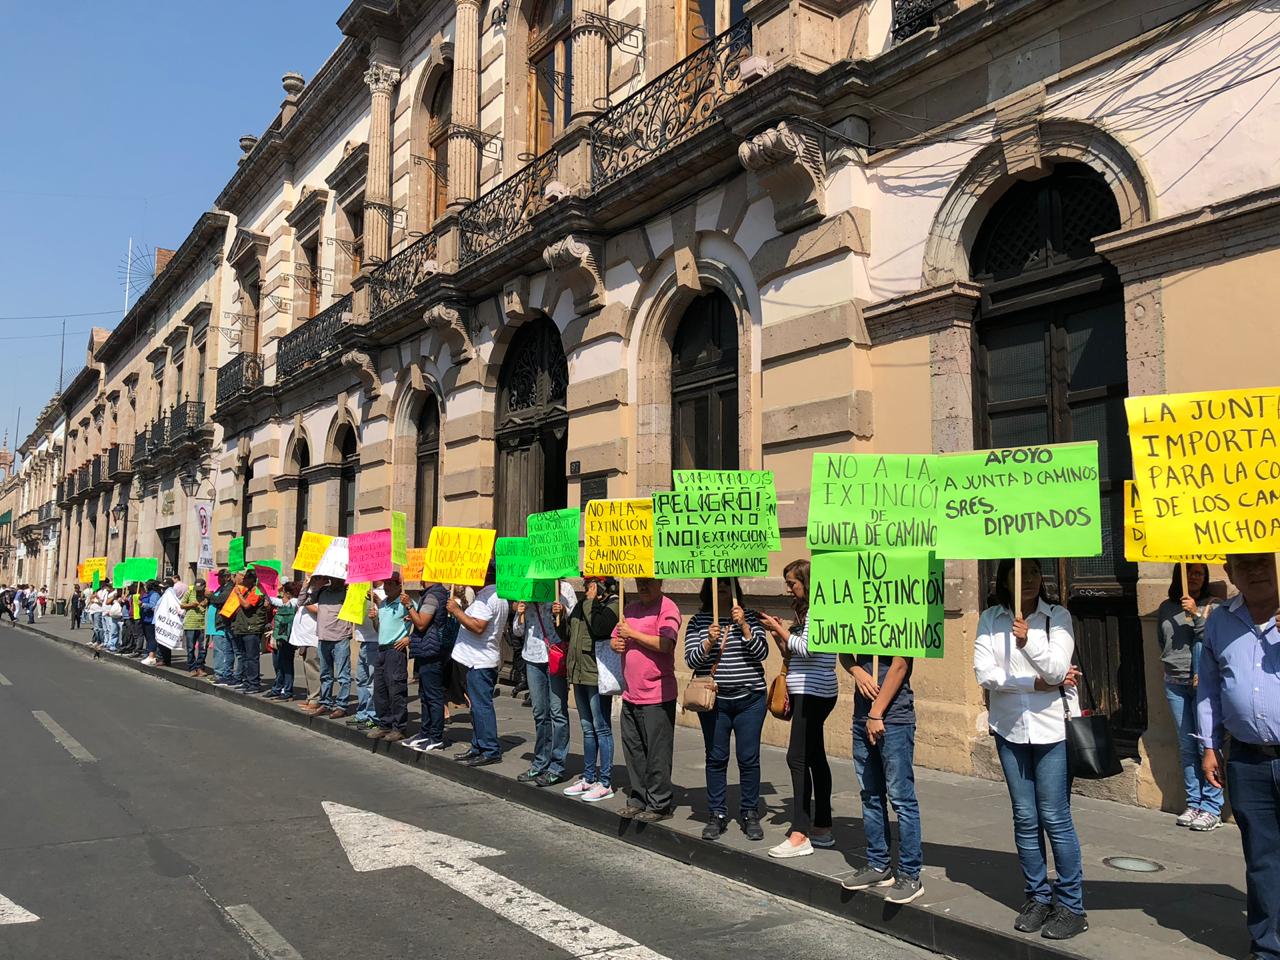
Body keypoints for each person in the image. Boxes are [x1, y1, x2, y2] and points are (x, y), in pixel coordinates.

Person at [974, 557, 1086, 941]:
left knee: (1055, 816)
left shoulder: (1057, 618)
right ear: (1005, 579)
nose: (1030, 580)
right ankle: (1037, 896)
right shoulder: (990, 619)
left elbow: (1057, 671)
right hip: (1009, 729)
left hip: (1051, 730)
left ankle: (1071, 905)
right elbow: (984, 674)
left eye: (1037, 573)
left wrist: (1029, 642)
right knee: (1024, 816)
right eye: (1021, 574)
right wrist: (1031, 684)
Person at [1198, 552, 1280, 960]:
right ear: (1229, 573)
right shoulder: (1220, 620)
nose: (1256, 570)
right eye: (1243, 564)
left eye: (1263, 560)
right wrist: (1209, 745)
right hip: (1247, 759)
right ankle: (1268, 947)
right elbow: (1209, 688)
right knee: (1262, 860)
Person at [759, 559, 837, 858]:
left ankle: (800, 831)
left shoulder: (821, 608)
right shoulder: (806, 611)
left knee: (797, 757)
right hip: (810, 688)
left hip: (813, 691)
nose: (789, 587)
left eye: (792, 582)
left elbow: (809, 648)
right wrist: (778, 632)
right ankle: (823, 827)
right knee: (815, 756)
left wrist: (779, 628)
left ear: (806, 581)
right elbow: (794, 651)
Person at [685, 577, 769, 841]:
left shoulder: (750, 618)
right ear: (707, 590)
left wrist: (744, 625)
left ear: (735, 589)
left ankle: (750, 813)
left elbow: (762, 652)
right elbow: (691, 660)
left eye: (726, 584)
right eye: (716, 585)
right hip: (715, 702)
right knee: (717, 757)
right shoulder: (698, 622)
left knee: (748, 758)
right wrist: (709, 642)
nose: (721, 588)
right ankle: (717, 813)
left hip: (750, 699)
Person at [839, 642, 923, 904]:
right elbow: (840, 646)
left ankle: (910, 874)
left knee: (900, 797)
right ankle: (878, 864)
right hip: (862, 715)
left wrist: (877, 712)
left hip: (893, 718)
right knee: (870, 793)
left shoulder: (903, 610)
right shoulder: (858, 611)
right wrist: (857, 671)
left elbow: (900, 665)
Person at [1156, 562, 1222, 831]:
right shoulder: (1166, 607)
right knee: (1186, 747)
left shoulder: (1214, 606)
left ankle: (1212, 807)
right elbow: (1163, 641)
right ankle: (1194, 802)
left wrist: (1195, 615)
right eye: (1189, 573)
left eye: (1199, 573)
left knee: (1206, 745)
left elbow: (1213, 638)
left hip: (1203, 683)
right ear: (1178, 577)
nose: (1194, 577)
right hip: (1175, 682)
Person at [612, 576, 681, 822]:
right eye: (639, 581)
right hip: (631, 693)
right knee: (634, 750)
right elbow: (615, 638)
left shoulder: (668, 608)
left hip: (657, 695)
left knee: (657, 752)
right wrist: (616, 643)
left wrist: (633, 633)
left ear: (660, 582)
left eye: (648, 582)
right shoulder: (628, 609)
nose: (642, 586)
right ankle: (638, 798)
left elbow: (666, 643)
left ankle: (659, 803)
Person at [512, 582, 576, 787]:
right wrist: (520, 612)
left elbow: (575, 624)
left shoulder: (563, 589)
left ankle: (557, 765)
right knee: (540, 713)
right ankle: (540, 761)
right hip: (532, 657)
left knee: (557, 712)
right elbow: (518, 631)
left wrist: (563, 611)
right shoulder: (527, 589)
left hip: (555, 656)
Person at [564, 576, 621, 802]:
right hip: (579, 672)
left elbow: (599, 628)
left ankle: (605, 781)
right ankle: (589, 776)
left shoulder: (613, 604)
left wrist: (590, 601)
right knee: (587, 728)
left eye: (589, 585)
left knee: (601, 728)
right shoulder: (583, 603)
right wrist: (559, 619)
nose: (585, 588)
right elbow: (568, 633)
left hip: (596, 675)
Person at [449, 574, 509, 767]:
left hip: (480, 662)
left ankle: (490, 749)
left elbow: (478, 627)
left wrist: (457, 611)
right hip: (477, 660)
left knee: (482, 707)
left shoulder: (487, 597)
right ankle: (478, 746)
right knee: (476, 707)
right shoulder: (496, 595)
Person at [404, 579, 453, 751]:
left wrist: (409, 606)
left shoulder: (432, 596)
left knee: (432, 696)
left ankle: (435, 736)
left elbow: (422, 623)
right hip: (427, 649)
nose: (420, 579)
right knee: (425, 695)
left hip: (431, 651)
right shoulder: (434, 594)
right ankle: (425, 733)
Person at [368, 575, 412, 743]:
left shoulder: (405, 603)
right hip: (382, 649)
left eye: (389, 583)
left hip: (395, 650)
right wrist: (374, 619)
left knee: (396, 689)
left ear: (398, 585)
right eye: (384, 583)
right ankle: (384, 723)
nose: (385, 587)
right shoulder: (383, 604)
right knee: (380, 689)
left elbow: (420, 621)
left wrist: (409, 638)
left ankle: (399, 726)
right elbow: (379, 628)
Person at [303, 576, 352, 719]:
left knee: (343, 675)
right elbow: (302, 602)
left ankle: (341, 706)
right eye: (332, 578)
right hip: (323, 638)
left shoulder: (348, 593)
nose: (334, 581)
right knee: (325, 674)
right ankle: (325, 702)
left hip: (340, 638)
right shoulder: (322, 591)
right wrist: (307, 586)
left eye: (337, 579)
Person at [227, 570, 271, 693]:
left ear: (252, 579)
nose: (244, 580)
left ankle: (254, 683)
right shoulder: (247, 590)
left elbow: (246, 605)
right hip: (243, 627)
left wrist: (238, 594)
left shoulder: (256, 591)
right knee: (245, 657)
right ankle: (246, 681)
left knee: (252, 657)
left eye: (246, 578)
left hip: (252, 628)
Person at [350, 586, 383, 730]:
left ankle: (373, 716)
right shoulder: (361, 588)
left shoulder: (382, 593)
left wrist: (376, 600)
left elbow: (388, 615)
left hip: (375, 641)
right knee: (361, 679)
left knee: (372, 681)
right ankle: (362, 713)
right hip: (363, 639)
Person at [266, 582, 300, 700]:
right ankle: (278, 688)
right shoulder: (287, 602)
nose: (282, 594)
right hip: (281, 635)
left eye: (284, 592)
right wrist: (263, 589)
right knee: (280, 663)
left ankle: (287, 689)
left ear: (289, 594)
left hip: (289, 637)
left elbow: (282, 602)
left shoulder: (294, 602)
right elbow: (273, 600)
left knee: (287, 664)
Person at [209, 571, 236, 684]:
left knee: (221, 649)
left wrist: (209, 596)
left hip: (223, 623)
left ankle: (221, 672)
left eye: (220, 577)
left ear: (227, 577)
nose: (218, 579)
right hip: (217, 624)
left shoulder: (229, 588)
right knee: (219, 649)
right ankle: (221, 672)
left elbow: (221, 600)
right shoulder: (221, 587)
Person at [182, 579, 209, 676]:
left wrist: (207, 601)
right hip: (190, 624)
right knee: (190, 648)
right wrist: (190, 605)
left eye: (200, 588)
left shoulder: (207, 594)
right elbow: (181, 605)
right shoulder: (189, 592)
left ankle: (200, 667)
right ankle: (192, 668)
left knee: (203, 648)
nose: (198, 590)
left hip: (202, 624)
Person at [140, 581, 162, 666]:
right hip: (146, 618)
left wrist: (143, 604)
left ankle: (152, 656)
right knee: (148, 638)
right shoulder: (148, 594)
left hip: (151, 619)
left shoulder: (154, 595)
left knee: (151, 638)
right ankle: (149, 654)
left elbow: (154, 606)